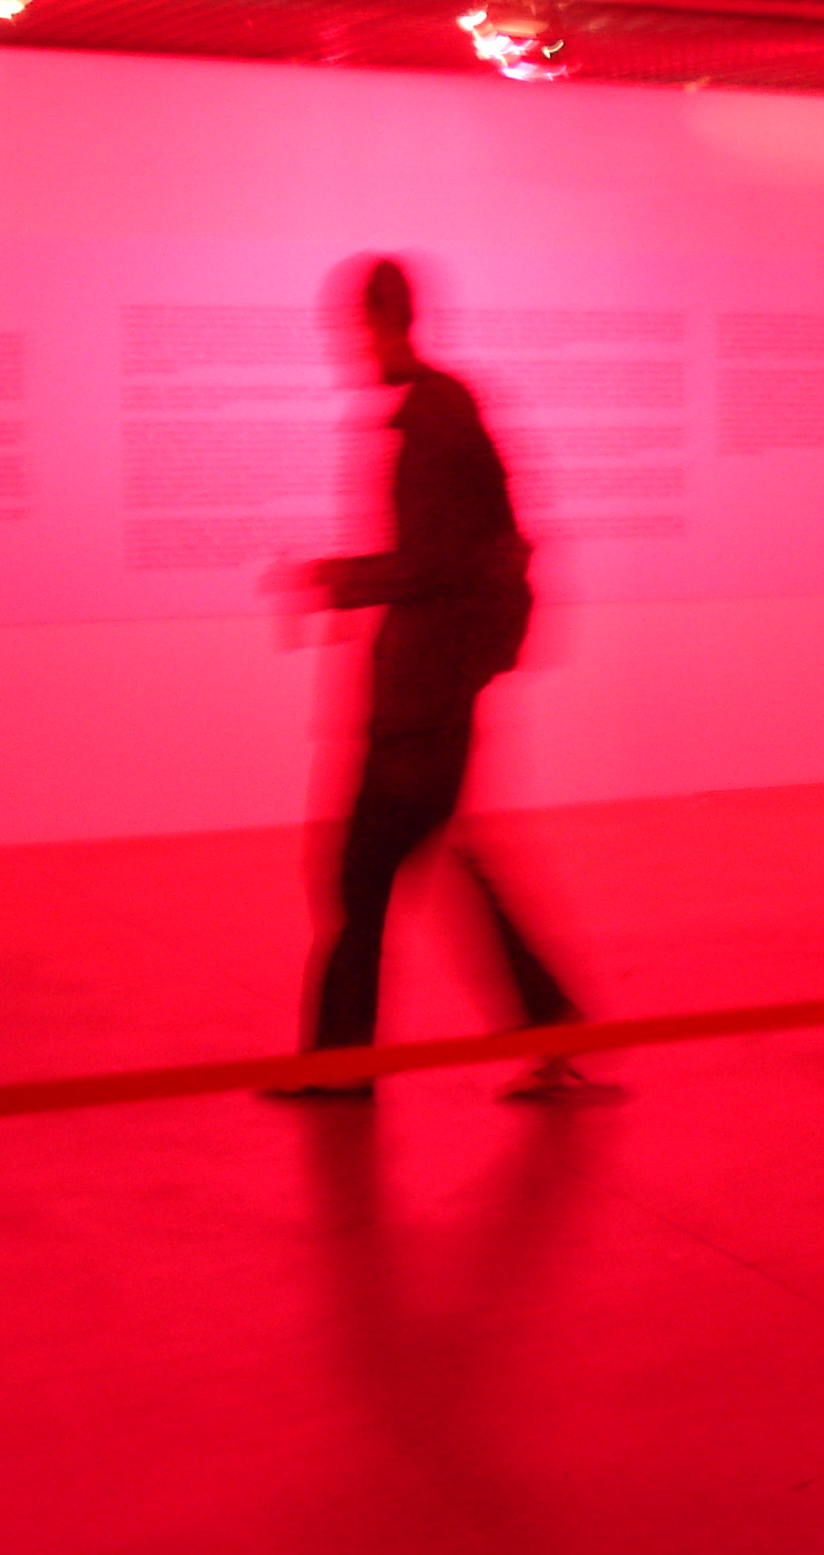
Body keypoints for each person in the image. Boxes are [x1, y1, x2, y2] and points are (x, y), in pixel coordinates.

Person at [266, 257, 586, 1101]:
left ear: (381, 322)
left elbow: (437, 564)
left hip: (424, 702)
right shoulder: (437, 410)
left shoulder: (433, 418)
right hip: (429, 693)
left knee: (365, 873)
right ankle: (543, 1021)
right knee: (404, 868)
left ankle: (350, 1063)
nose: (346, 349)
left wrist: (339, 578)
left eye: (351, 330)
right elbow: (467, 553)